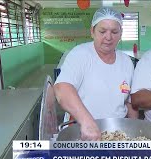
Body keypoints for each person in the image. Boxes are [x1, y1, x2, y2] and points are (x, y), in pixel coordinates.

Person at [54, 7, 138, 141]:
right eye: (102, 31)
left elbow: (129, 102)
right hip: (82, 131)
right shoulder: (80, 55)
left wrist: (135, 131)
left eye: (114, 32)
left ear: (121, 34)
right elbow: (62, 89)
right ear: (92, 31)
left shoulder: (126, 61)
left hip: (117, 133)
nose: (108, 37)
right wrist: (87, 122)